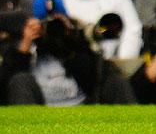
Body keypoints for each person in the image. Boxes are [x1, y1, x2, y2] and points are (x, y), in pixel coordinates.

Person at [0, 11, 136, 105]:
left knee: (116, 81)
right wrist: (25, 45)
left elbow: (96, 78)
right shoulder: (17, 47)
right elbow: (6, 87)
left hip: (82, 108)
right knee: (20, 80)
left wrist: (68, 47)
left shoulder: (75, 43)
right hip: (39, 116)